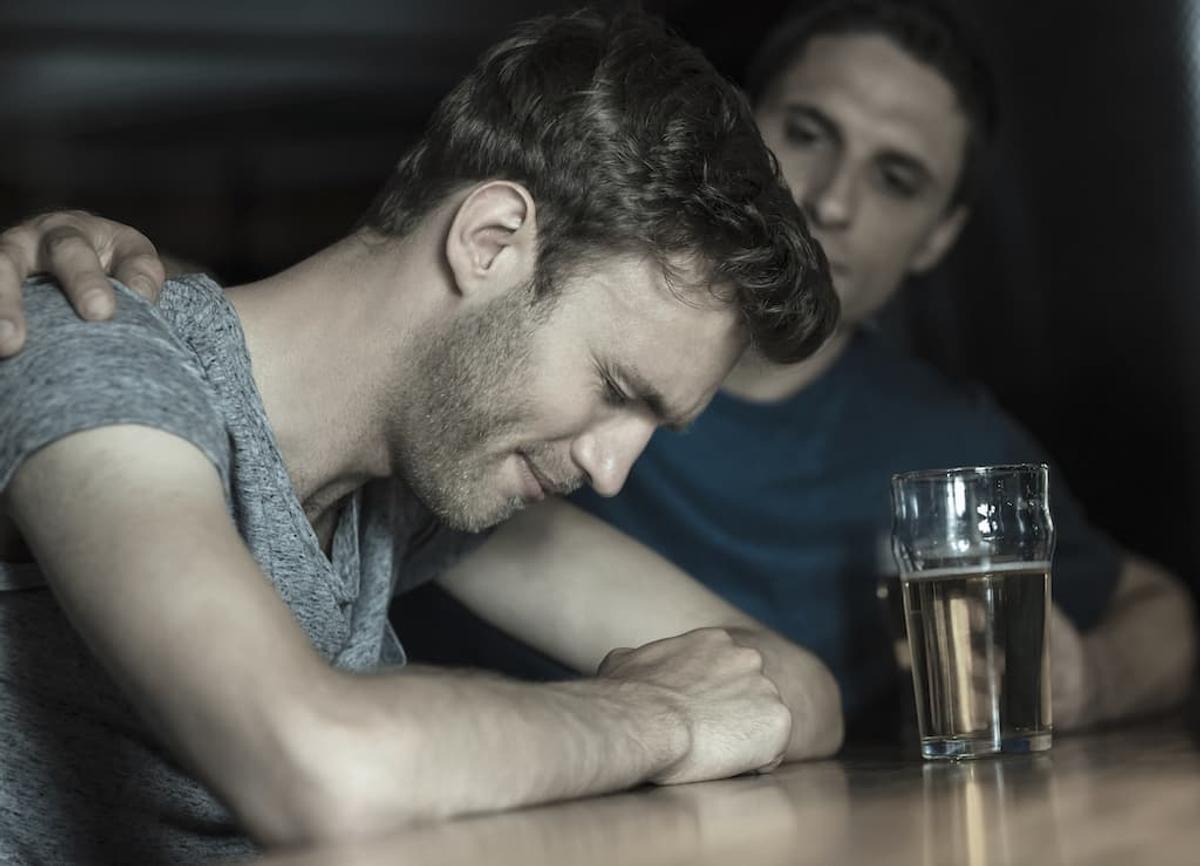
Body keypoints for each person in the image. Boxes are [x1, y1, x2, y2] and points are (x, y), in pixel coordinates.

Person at [0, 9, 843, 863]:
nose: (612, 468)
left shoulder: (415, 486)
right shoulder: (91, 348)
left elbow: (791, 686)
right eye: (615, 389)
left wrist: (693, 707)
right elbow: (316, 768)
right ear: (491, 241)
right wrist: (658, 715)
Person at [374, 0, 1195, 739]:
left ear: (939, 236)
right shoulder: (534, 336)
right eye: (807, 133)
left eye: (896, 179)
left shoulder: (952, 443)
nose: (833, 201)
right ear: (735, 126)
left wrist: (1092, 681)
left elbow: (1160, 611)